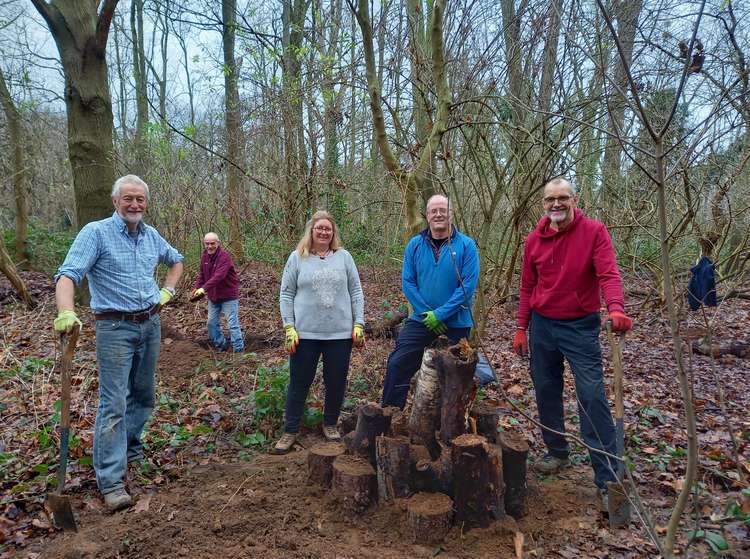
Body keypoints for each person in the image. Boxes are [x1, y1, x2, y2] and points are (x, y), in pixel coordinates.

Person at [53, 175, 184, 511]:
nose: (135, 204)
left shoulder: (152, 235)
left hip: (150, 324)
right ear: (115, 202)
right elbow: (68, 274)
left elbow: (177, 261)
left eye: (140, 199)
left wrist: (167, 291)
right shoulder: (95, 233)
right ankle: (111, 481)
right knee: (114, 403)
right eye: (128, 198)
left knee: (143, 395)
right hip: (115, 328)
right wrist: (66, 313)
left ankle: (130, 447)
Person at [512, 177, 633, 509]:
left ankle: (607, 478)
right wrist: (522, 327)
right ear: (543, 204)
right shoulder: (534, 241)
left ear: (574, 200)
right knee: (546, 389)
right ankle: (557, 451)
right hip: (542, 325)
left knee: (591, 395)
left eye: (562, 198)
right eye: (550, 199)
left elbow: (608, 274)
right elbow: (526, 287)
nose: (556, 204)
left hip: (580, 326)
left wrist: (617, 308)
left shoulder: (594, 232)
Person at [274, 210, 365, 454]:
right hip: (305, 334)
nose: (324, 232)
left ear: (333, 232)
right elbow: (286, 293)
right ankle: (290, 430)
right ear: (311, 231)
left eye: (328, 228)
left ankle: (330, 423)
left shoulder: (344, 258)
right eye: (319, 228)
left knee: (335, 382)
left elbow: (356, 291)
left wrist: (359, 323)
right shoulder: (297, 257)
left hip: (339, 334)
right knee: (299, 382)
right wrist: (289, 326)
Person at [381, 195, 480, 409]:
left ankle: (452, 424)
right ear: (427, 215)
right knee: (398, 363)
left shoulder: (467, 246)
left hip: (457, 322)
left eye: (442, 210)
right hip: (421, 319)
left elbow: (467, 286)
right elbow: (408, 282)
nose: (438, 214)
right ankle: (389, 416)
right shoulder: (415, 245)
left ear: (451, 214)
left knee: (457, 374)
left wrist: (441, 314)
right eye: (433, 211)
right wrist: (429, 314)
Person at [191, 232, 244, 353]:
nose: (209, 246)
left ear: (218, 243)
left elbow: (218, 276)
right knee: (211, 323)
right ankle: (222, 346)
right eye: (207, 244)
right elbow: (202, 275)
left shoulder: (224, 257)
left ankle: (239, 351)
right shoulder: (204, 256)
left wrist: (203, 289)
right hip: (213, 297)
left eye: (212, 243)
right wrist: (197, 287)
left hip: (228, 296)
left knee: (232, 324)